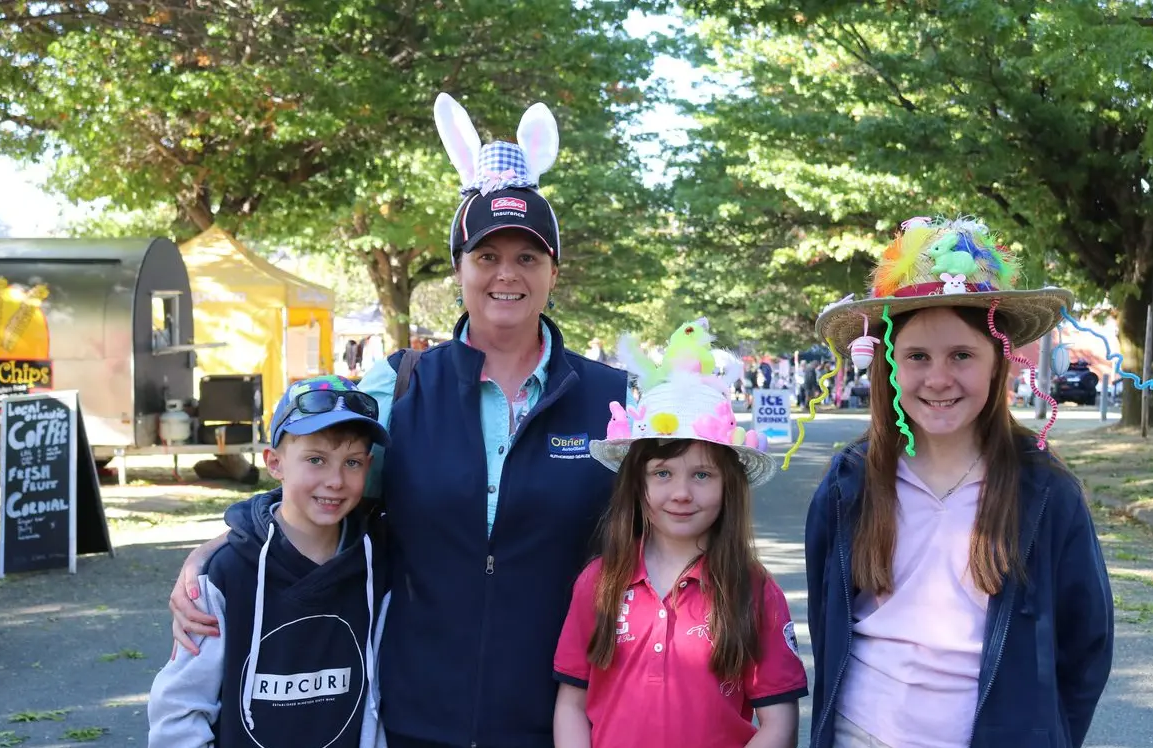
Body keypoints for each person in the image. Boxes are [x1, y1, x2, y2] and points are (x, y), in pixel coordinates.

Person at [168, 93, 633, 748]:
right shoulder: (401, 382)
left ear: (554, 271)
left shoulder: (612, 399)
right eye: (486, 256)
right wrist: (219, 548)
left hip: (561, 716)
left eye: (528, 257)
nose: (507, 274)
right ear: (458, 266)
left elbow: (665, 524)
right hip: (414, 714)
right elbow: (323, 482)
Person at [805, 217, 1114, 748]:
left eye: (962, 355)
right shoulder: (848, 483)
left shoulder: (1045, 491)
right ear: (888, 365)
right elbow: (825, 616)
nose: (938, 378)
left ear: (998, 364)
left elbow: (1085, 644)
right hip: (862, 734)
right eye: (917, 357)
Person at [553, 325, 806, 748]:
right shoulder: (599, 582)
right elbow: (571, 704)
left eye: (702, 474)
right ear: (637, 483)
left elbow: (779, 724)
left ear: (728, 486)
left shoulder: (753, 590)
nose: (682, 493)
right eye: (662, 473)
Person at [148, 375, 392, 747]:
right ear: (274, 463)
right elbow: (179, 709)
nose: (336, 480)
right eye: (316, 459)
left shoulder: (379, 566)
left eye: (352, 463)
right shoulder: (222, 575)